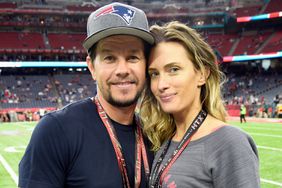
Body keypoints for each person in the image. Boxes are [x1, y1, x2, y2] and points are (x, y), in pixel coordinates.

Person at [19, 2, 155, 188]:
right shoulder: (56, 131)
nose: (122, 70)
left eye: (133, 57)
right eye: (109, 58)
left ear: (146, 64)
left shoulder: (155, 136)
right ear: (91, 66)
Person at [140, 21, 260, 188]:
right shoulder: (164, 139)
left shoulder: (230, 143)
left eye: (174, 69)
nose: (161, 85)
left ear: (202, 75)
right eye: (154, 74)